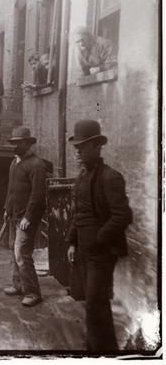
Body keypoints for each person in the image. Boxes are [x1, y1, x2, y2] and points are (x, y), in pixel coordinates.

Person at [66, 119, 132, 352]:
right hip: (85, 249)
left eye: (82, 148)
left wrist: (99, 239)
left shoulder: (110, 177)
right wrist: (73, 241)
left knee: (96, 302)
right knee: (91, 301)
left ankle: (105, 351)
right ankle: (95, 346)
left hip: (102, 252)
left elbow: (122, 216)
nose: (78, 153)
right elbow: (79, 213)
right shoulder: (82, 177)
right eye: (76, 148)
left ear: (96, 147)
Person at [3, 126, 47, 307]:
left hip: (26, 218)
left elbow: (38, 194)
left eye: (18, 143)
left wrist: (28, 217)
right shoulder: (15, 163)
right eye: (13, 143)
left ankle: (32, 292)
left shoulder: (37, 165)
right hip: (14, 215)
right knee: (14, 250)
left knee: (22, 253)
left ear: (28, 143)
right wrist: (7, 208)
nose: (14, 146)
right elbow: (11, 190)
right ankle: (18, 285)